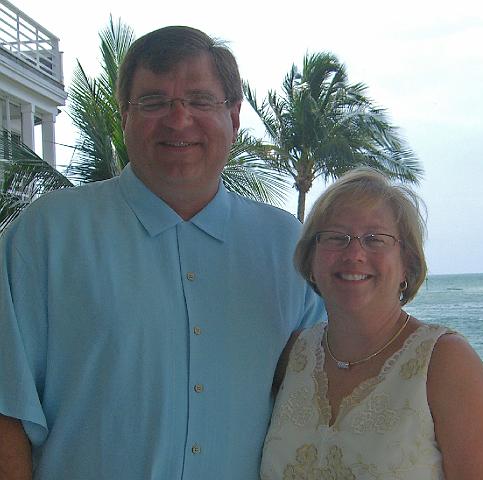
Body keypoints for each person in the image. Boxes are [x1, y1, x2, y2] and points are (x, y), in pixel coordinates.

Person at [0, 26, 323, 479]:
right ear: (124, 117)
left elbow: (331, 391)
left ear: (233, 117)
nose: (178, 119)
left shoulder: (288, 246)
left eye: (200, 100)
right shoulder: (46, 235)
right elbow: (7, 411)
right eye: (153, 102)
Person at [260, 168, 483, 479]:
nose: (354, 253)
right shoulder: (293, 357)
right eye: (336, 237)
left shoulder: (445, 362)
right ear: (311, 261)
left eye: (375, 239)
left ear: (406, 264)